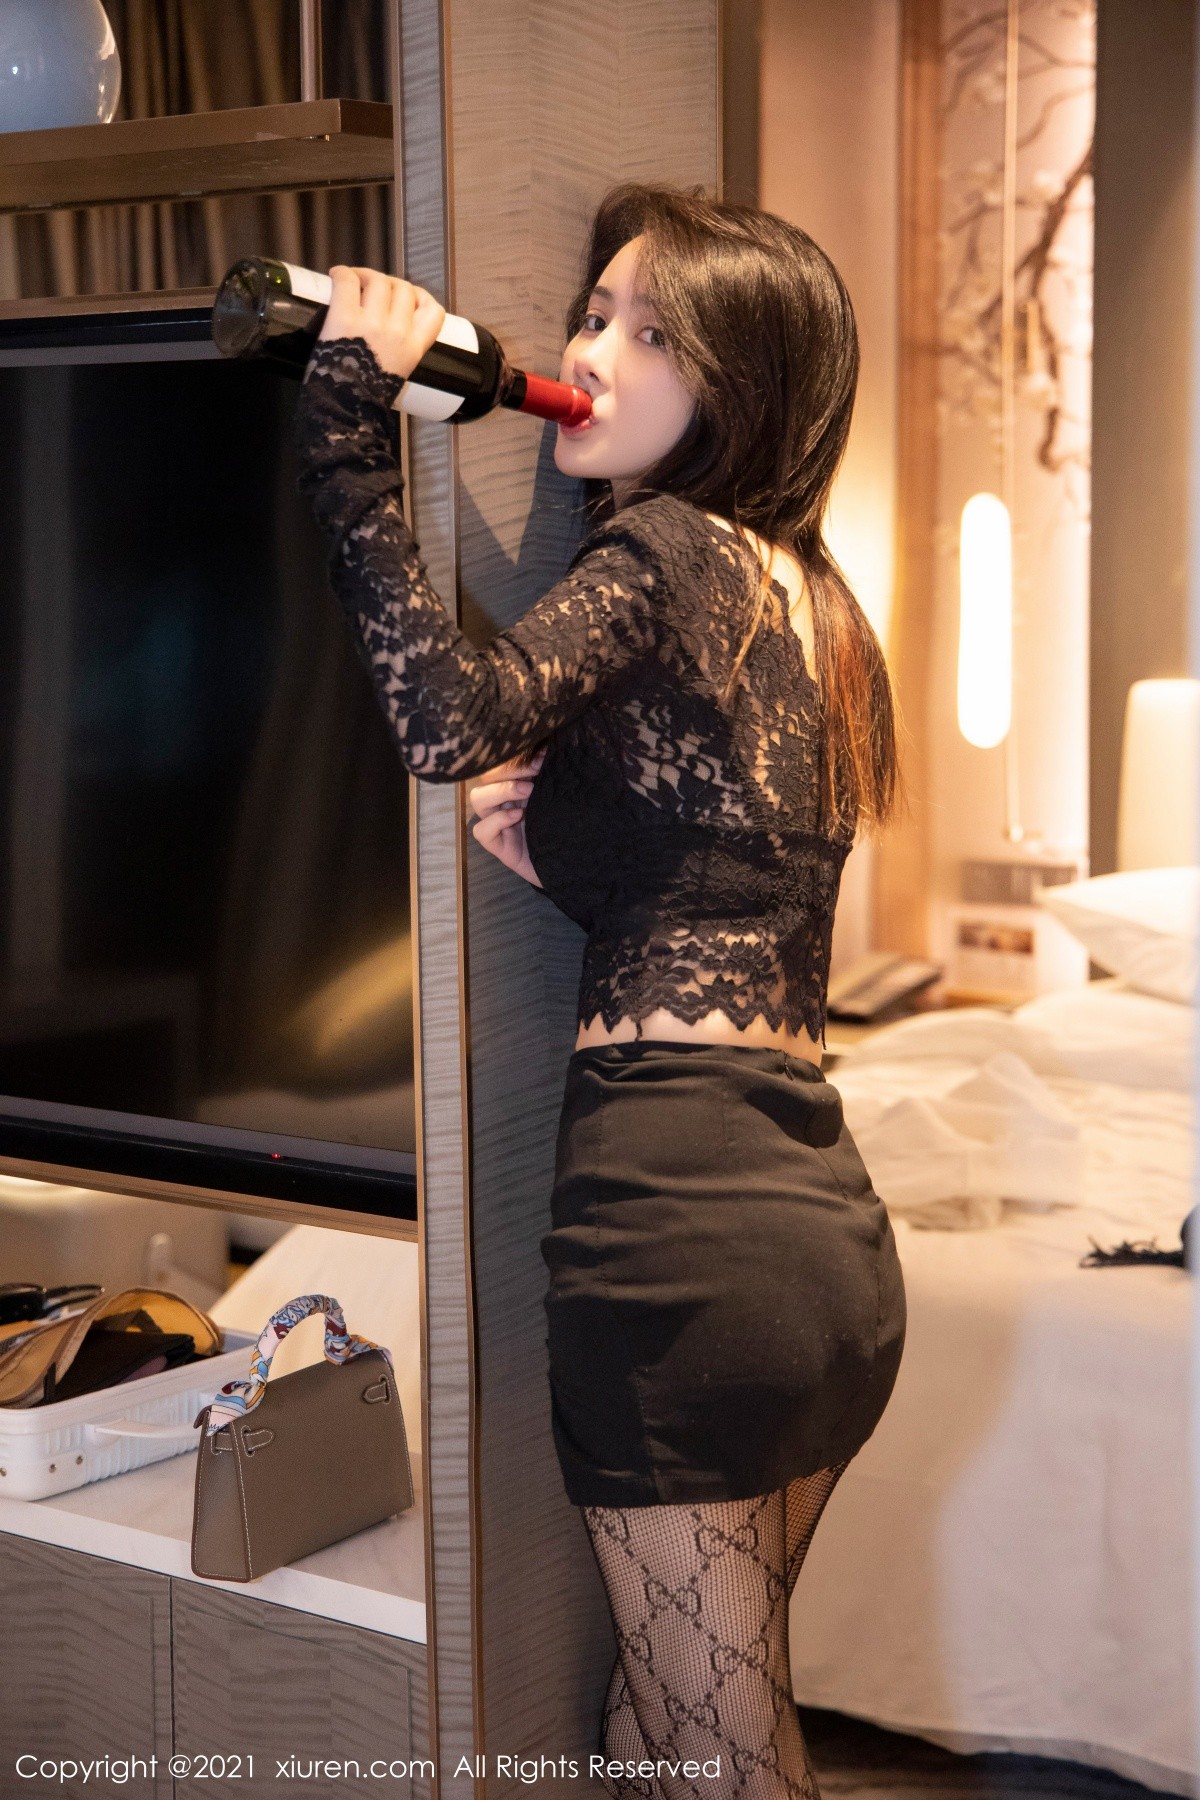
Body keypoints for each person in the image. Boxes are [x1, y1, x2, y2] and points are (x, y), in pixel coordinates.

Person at [294, 181, 907, 1800]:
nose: (589, 353)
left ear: (744, 388)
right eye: (593, 315)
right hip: (827, 1254)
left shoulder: (669, 547)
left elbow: (447, 716)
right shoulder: (817, 605)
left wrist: (350, 414)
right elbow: (728, 884)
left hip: (677, 1244)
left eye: (653, 334)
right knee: (653, 1734)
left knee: (715, 1758)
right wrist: (563, 854)